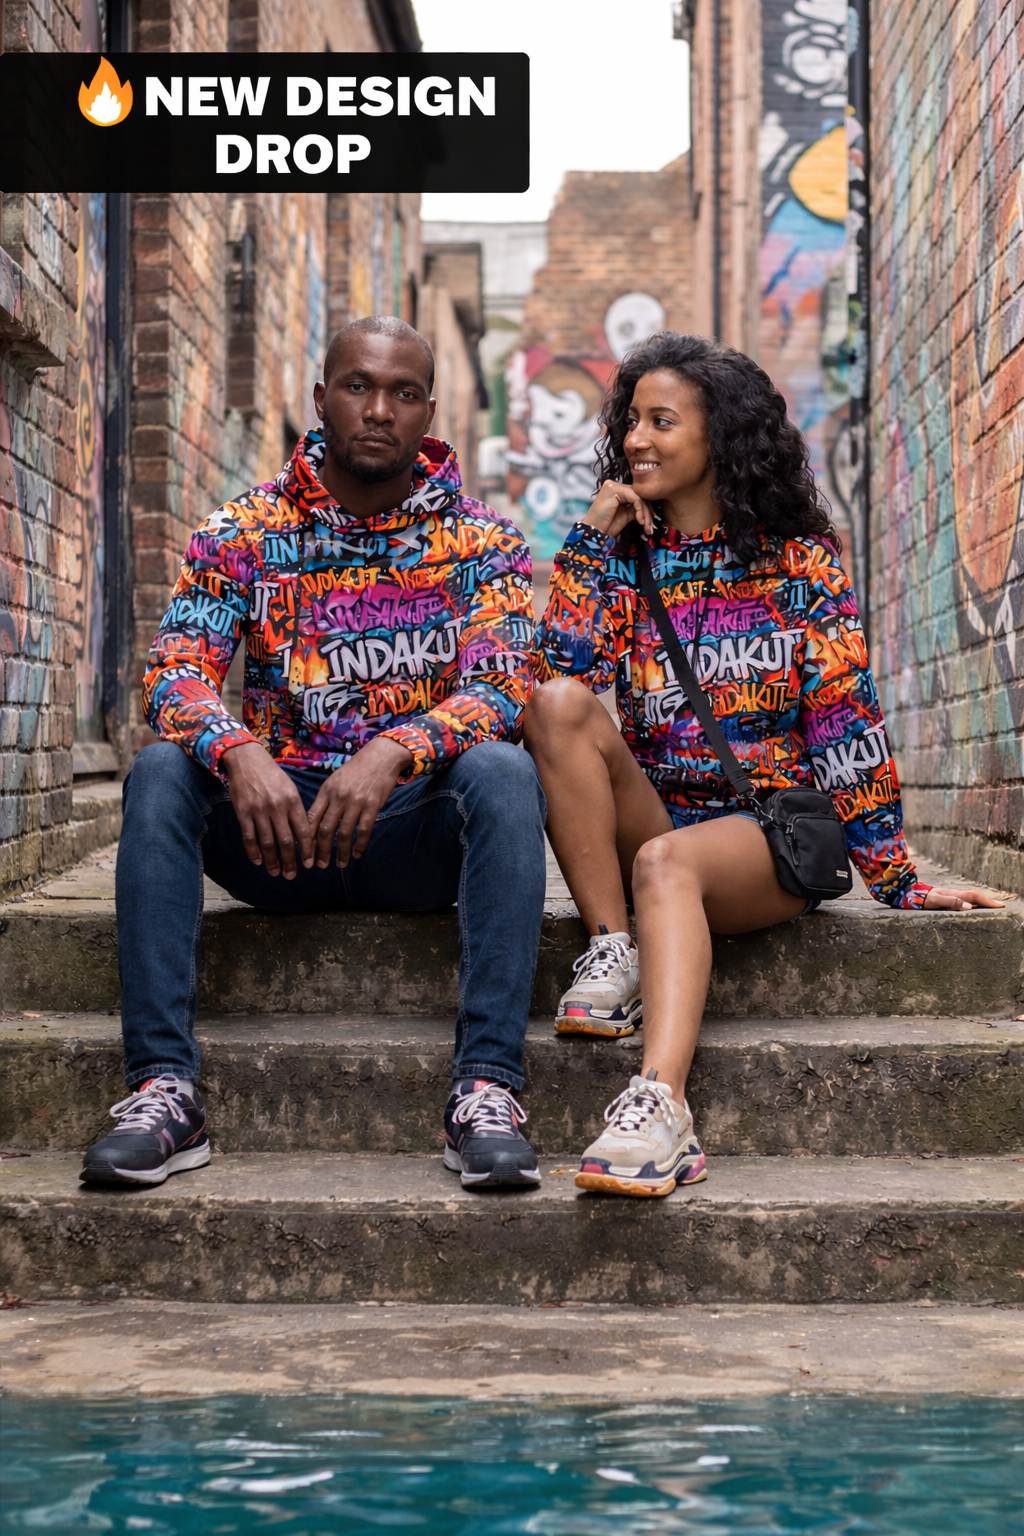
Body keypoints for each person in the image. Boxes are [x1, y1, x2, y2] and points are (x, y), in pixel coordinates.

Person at [525, 331, 1003, 1198]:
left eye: (662, 421)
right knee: (557, 705)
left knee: (667, 861)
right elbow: (554, 672)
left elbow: (845, 722)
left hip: (767, 837)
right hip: (660, 816)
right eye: (632, 420)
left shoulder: (799, 566)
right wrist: (591, 541)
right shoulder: (630, 559)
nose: (637, 439)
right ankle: (612, 949)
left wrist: (895, 874)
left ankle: (662, 1105)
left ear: (722, 437)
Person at [82, 316, 546, 1192]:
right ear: (322, 397)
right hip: (276, 839)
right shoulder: (245, 529)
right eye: (359, 386)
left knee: (504, 771)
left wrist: (393, 751)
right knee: (159, 772)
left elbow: (501, 688)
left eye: (403, 394)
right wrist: (238, 753)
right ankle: (163, 1094)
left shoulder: (485, 542)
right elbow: (175, 671)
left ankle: (486, 1089)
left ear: (430, 411)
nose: (379, 410)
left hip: (413, 837)